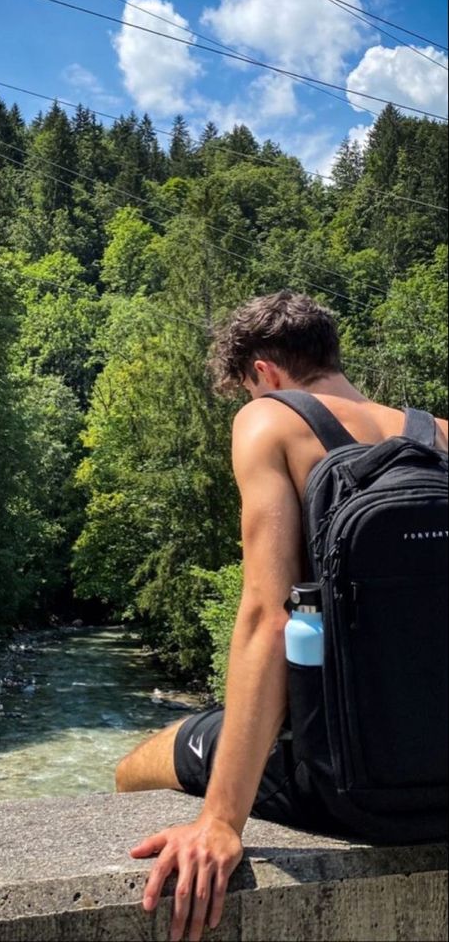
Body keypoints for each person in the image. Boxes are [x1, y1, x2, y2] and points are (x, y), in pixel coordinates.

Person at [115, 289, 448, 942]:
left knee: (139, 765)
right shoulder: (440, 435)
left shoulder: (269, 420)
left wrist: (219, 822)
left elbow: (268, 618)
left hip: (349, 788)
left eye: (247, 389)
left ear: (263, 373)